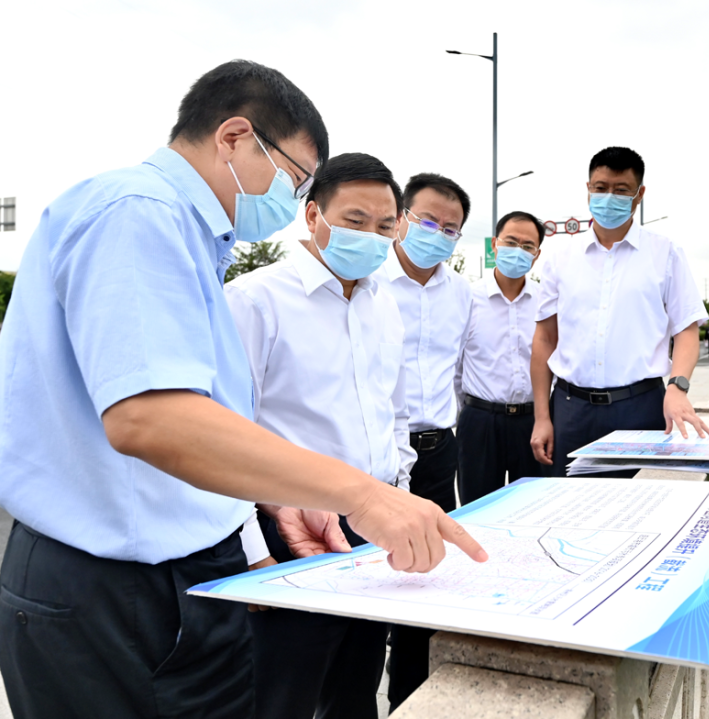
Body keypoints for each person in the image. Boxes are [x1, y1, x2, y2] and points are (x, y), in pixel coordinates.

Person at [0, 61, 484, 719]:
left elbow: (208, 422)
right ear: (234, 138)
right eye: (294, 177)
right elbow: (151, 420)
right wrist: (359, 492)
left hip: (180, 570)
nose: (291, 198)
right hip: (117, 589)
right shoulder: (138, 212)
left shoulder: (193, 240)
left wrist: (270, 498)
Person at [225, 153, 412, 719]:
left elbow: (392, 411)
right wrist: (252, 553)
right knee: (285, 692)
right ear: (312, 215)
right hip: (290, 534)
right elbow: (221, 433)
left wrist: (398, 496)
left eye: (385, 226)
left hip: (372, 525)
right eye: (354, 221)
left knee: (356, 688)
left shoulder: (386, 304)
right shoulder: (256, 300)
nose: (371, 237)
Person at [530, 147, 709, 478]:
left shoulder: (665, 253)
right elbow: (544, 338)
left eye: (621, 190)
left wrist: (678, 388)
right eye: (600, 188)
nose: (608, 197)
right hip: (571, 409)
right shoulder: (560, 257)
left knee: (636, 512)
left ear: (639, 194)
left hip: (640, 407)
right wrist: (543, 416)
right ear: (588, 189)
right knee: (567, 512)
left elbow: (686, 330)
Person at [372, 172, 473, 711]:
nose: (436, 233)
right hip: (376, 456)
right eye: (427, 220)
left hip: (436, 452)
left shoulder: (461, 294)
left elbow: (460, 370)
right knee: (364, 580)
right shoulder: (368, 280)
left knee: (422, 579)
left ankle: (409, 694)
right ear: (403, 216)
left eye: (450, 228)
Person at [456, 211, 546, 504]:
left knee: (533, 508)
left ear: (537, 254)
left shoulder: (546, 302)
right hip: (480, 421)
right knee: (477, 510)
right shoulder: (468, 298)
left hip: (534, 422)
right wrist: (470, 410)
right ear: (495, 244)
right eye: (511, 241)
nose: (518, 251)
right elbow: (455, 366)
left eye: (527, 246)